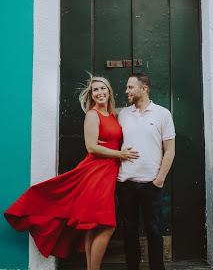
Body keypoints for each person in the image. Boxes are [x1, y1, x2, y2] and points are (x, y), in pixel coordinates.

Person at [4, 75, 139, 270]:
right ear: (91, 95)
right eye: (95, 90)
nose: (100, 92)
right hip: (96, 173)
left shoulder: (113, 115)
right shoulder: (93, 115)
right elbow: (91, 147)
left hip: (109, 172)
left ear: (109, 91)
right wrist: (120, 153)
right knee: (107, 226)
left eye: (103, 89)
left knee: (93, 225)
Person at [117, 73, 176, 270]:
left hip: (152, 183)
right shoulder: (123, 114)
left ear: (144, 88)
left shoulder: (162, 114)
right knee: (129, 231)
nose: (126, 91)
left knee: (154, 230)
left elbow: (170, 150)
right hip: (126, 183)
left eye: (130, 87)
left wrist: (159, 179)